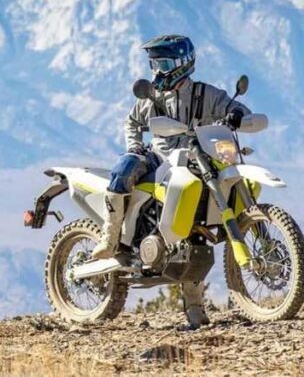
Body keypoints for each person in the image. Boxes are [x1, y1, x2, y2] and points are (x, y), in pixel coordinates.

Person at [97, 34, 249, 329]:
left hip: (196, 162)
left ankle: (195, 310)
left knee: (195, 235)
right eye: (155, 64)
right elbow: (132, 122)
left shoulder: (205, 94)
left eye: (163, 64)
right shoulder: (151, 96)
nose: (158, 71)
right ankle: (110, 238)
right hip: (158, 158)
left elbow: (235, 107)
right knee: (125, 167)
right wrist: (135, 145)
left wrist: (235, 114)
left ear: (183, 63)